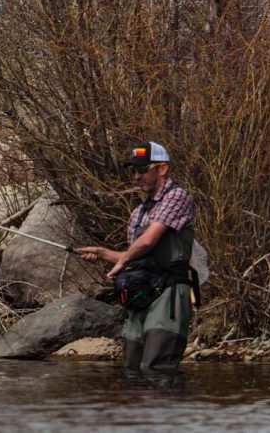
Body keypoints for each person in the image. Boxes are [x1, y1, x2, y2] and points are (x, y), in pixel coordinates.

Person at [78, 142, 195, 372]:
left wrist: (122, 261)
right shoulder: (138, 212)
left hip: (169, 295)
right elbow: (133, 255)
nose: (136, 176)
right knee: (132, 369)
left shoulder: (177, 196)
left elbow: (148, 240)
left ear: (162, 169)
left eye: (142, 170)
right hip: (142, 294)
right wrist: (103, 254)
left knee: (156, 369)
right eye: (134, 170)